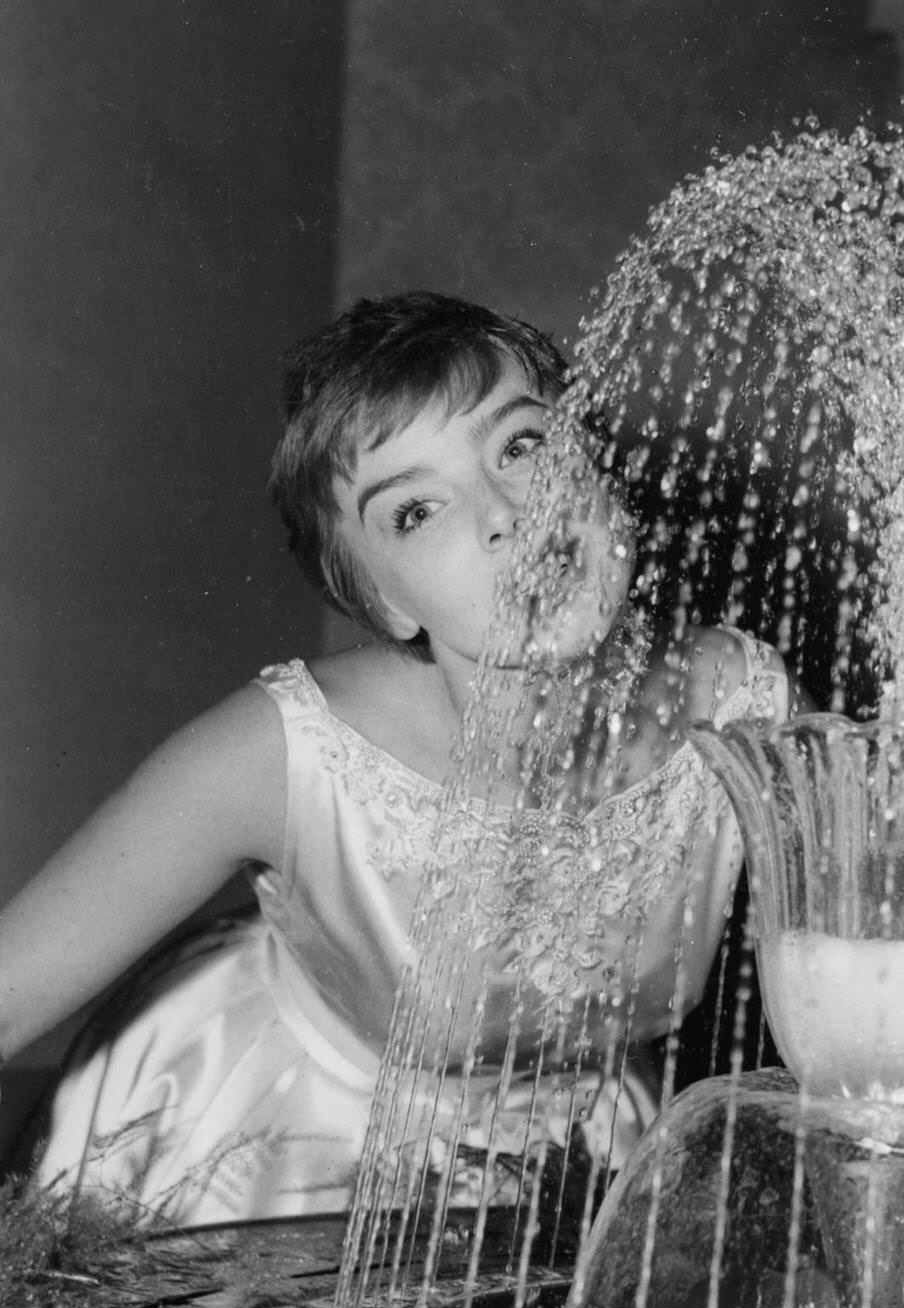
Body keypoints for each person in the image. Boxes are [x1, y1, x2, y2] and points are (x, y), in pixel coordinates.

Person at [0, 292, 792, 1228]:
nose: (503, 516)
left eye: (522, 446)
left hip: (595, 1171)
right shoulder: (283, 750)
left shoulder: (741, 704)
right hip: (276, 1173)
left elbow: (878, 979)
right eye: (417, 510)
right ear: (383, 602)